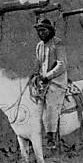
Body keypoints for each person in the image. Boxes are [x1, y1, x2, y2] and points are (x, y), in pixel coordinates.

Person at [34, 18, 68, 150]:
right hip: (42, 80)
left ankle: (51, 137)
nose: (41, 33)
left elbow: (62, 64)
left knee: (51, 103)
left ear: (50, 31)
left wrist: (48, 76)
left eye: (43, 30)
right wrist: (35, 76)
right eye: (39, 31)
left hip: (56, 81)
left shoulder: (58, 43)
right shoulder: (39, 46)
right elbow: (38, 64)